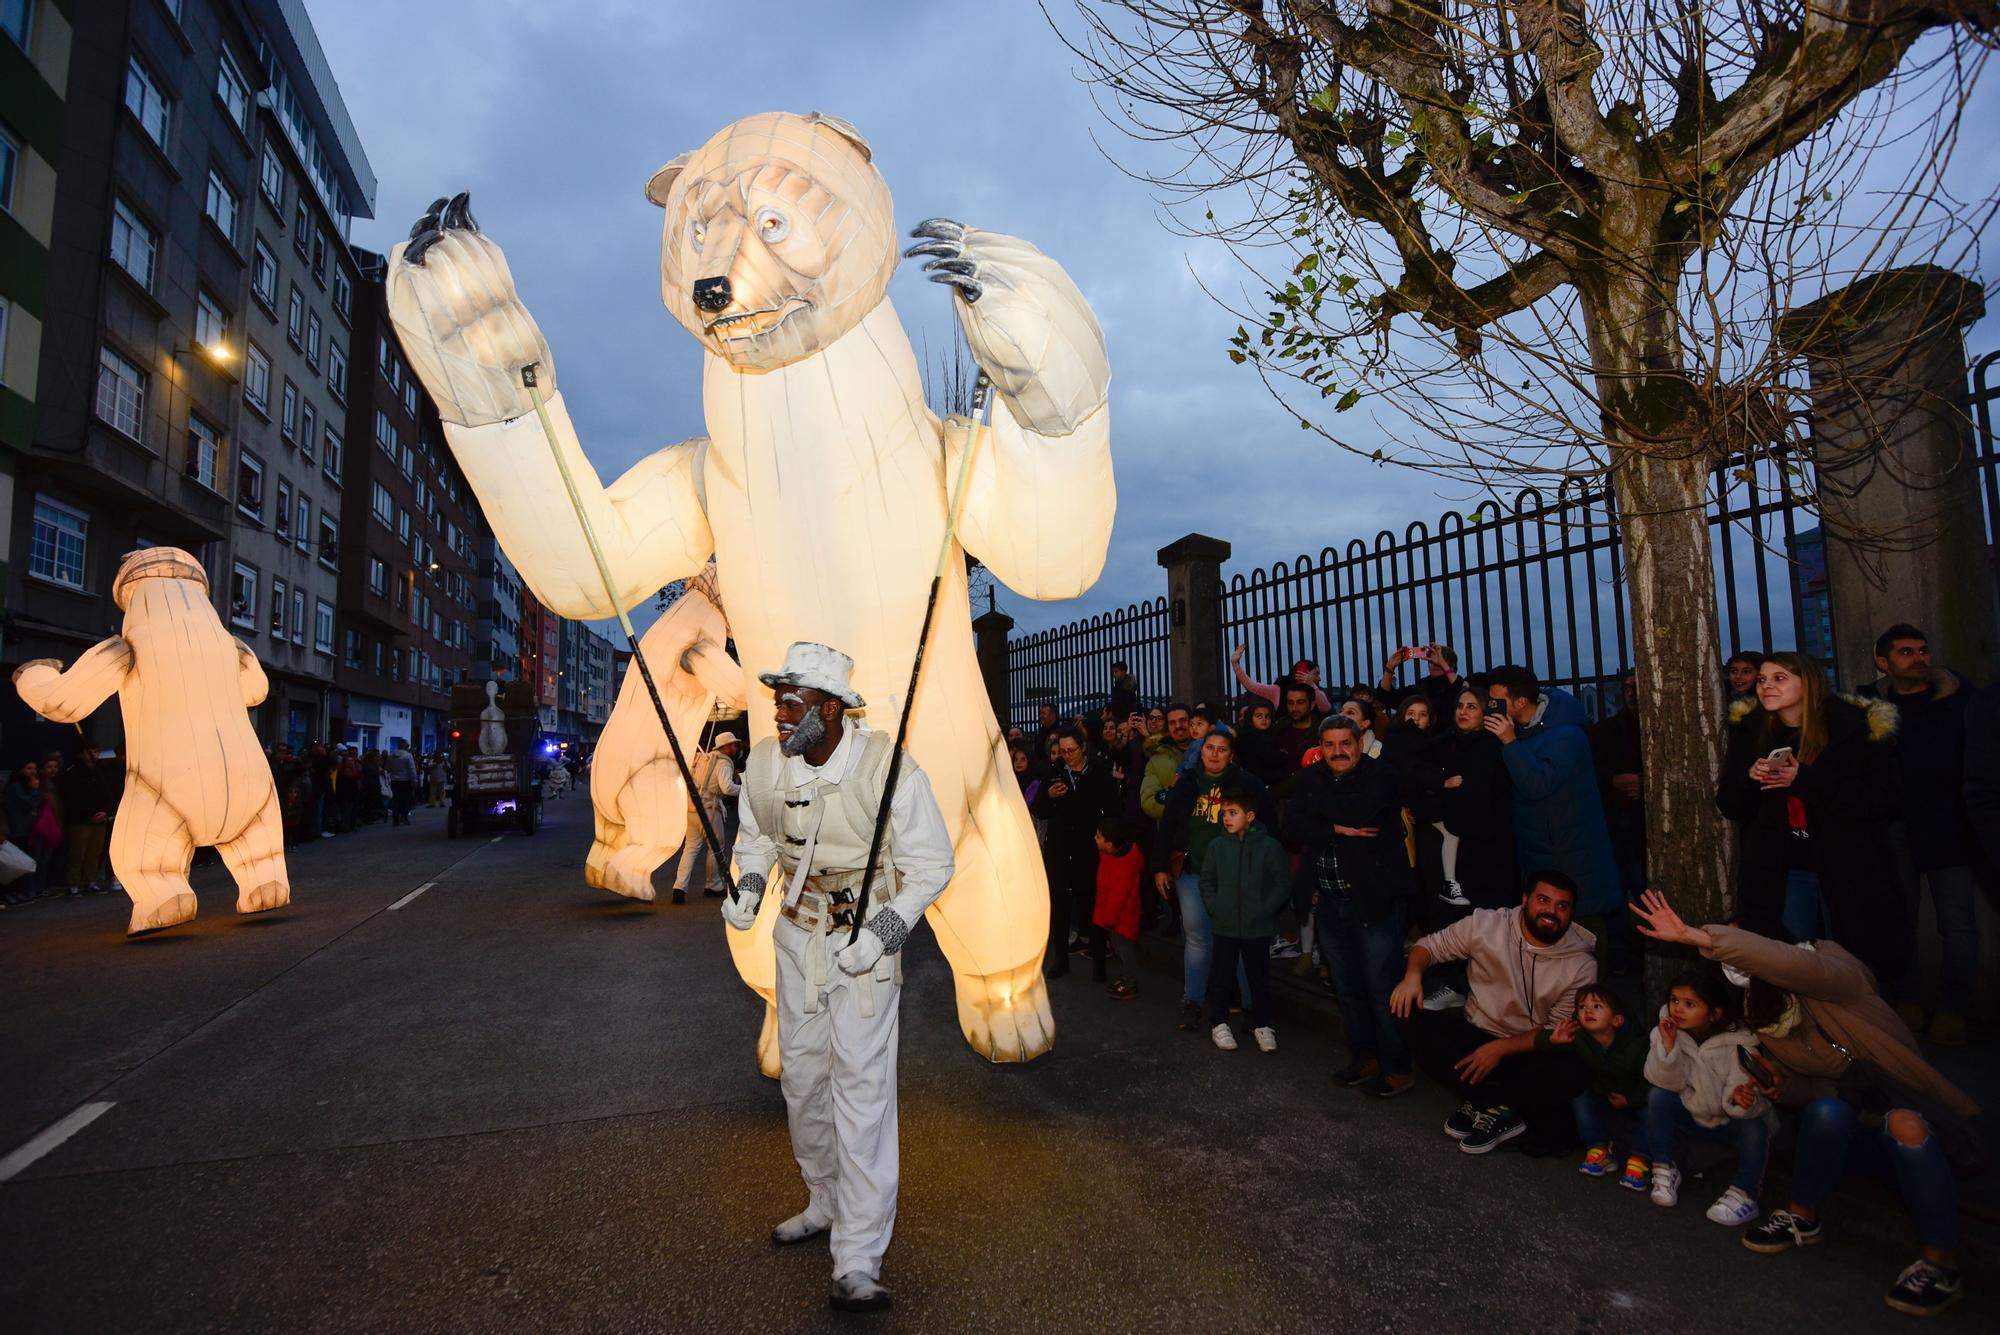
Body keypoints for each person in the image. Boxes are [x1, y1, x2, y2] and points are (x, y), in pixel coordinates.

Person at [721, 642, 954, 1314]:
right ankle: (824, 1198)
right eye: (777, 700)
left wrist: (884, 935)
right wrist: (750, 887)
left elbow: (933, 865)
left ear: (828, 708)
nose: (778, 713)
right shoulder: (767, 763)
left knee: (861, 1088)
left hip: (863, 949)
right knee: (802, 1077)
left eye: (790, 703)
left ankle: (857, 1257)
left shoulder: (888, 770)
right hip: (797, 940)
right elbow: (758, 836)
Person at [1632, 890, 1979, 1319]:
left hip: (1905, 1119)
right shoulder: (1766, 1011)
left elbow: (1791, 965)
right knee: (1825, 1112)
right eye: (1730, 960)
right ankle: (1802, 1218)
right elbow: (1809, 1090)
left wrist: (1695, 936)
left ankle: (1941, 1265)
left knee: (1906, 1123)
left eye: (1748, 950)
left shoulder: (1835, 973)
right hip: (1846, 1130)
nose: (1739, 965)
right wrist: (1780, 1082)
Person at [1717, 652, 1905, 980]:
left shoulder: (1853, 729)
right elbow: (1731, 806)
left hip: (1846, 866)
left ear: (1809, 684)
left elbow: (1882, 800)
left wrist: (1804, 779)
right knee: (1790, 963)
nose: (1766, 687)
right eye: (1762, 680)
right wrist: (1750, 778)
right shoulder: (1751, 732)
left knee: (1852, 965)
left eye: (1779, 679)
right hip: (1784, 869)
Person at [1391, 872, 1598, 1154]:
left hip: (1530, 1048)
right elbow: (1429, 946)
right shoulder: (1487, 925)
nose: (1552, 911)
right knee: (1406, 1013)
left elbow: (1557, 1031)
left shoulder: (1581, 964)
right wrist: (1413, 976)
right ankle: (1489, 1101)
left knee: (1567, 1067)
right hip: (1478, 1035)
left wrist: (1500, 1049)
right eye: (1543, 900)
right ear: (1525, 901)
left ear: (1571, 913)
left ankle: (1493, 1105)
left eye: (1563, 906)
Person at [1858, 624, 1980, 1046]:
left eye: (1923, 650)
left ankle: (1953, 1008)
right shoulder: (1865, 707)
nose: (1919, 658)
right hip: (1893, 828)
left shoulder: (1961, 700)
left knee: (1958, 924)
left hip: (1951, 827)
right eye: (1906, 652)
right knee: (1900, 919)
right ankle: (1907, 1000)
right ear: (1883, 661)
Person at [1291, 716, 1414, 1096]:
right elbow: (1291, 825)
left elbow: (1361, 812)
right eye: (1330, 745)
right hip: (1329, 901)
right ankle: (1365, 1057)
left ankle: (1397, 1068)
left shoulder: (1382, 775)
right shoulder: (1309, 778)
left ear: (1359, 743)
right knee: (1346, 987)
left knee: (1381, 986)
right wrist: (1334, 829)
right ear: (1321, 747)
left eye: (1346, 743)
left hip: (1373, 901)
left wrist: (1322, 815)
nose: (1338, 751)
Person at [1485, 666, 1624, 967]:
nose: (1491, 707)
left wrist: (1509, 743)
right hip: (1545, 852)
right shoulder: (1528, 732)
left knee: (1582, 934)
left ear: (1520, 703)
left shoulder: (1565, 735)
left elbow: (1537, 784)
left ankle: (1592, 1002)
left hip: (1572, 854)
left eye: (1497, 701)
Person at [1156, 730, 1271, 1032]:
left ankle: (1251, 1008)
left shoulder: (1246, 784)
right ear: (1201, 751)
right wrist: (1159, 867)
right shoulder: (1187, 784)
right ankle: (1192, 1003)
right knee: (1197, 938)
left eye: (1222, 749)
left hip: (1236, 874)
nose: (1215, 754)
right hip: (1194, 871)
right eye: (1209, 748)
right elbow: (1167, 826)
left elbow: (1268, 825)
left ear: (1231, 754)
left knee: (1243, 939)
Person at [1641, 968, 1775, 1226]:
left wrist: (1740, 1098)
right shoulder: (1666, 1031)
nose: (1677, 1009)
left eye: (1689, 1004)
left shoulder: (1740, 1042)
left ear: (1715, 1013)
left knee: (1755, 1128)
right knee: (1658, 1097)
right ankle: (1664, 1167)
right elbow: (1663, 1081)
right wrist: (1668, 1047)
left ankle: (1744, 1194)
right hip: (1693, 1115)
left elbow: (1747, 1089)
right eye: (1674, 1001)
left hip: (1728, 1122)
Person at [1200, 787, 1291, 1053]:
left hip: (1257, 926)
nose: (1226, 818)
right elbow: (1207, 881)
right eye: (1224, 813)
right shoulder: (1217, 846)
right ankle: (1219, 1023)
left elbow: (1281, 882)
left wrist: (1266, 909)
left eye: (1233, 813)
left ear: (1249, 816)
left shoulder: (1269, 847)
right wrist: (1215, 906)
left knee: (1258, 977)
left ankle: (1263, 1024)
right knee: (1222, 975)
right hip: (1225, 924)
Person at [1536, 984, 1649, 1185]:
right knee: (1580, 1095)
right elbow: (1541, 1043)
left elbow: (1651, 1083)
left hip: (1635, 1097)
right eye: (1582, 1007)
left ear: (1617, 1019)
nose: (1588, 1010)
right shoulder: (1581, 1037)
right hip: (1604, 1095)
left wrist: (1631, 1100)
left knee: (1652, 1111)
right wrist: (1552, 1039)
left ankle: (1639, 1159)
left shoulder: (1636, 1045)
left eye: (1597, 1006)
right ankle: (1598, 1148)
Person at [1031, 726, 1119, 978]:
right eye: (1062, 751)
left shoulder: (1100, 771)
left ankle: (1099, 962)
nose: (1067, 755)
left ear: (1083, 748)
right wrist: (1048, 795)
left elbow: (1113, 808)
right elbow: (1039, 809)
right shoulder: (1054, 772)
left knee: (1093, 907)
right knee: (1060, 908)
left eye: (1072, 750)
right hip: (1060, 850)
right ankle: (1060, 959)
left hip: (1090, 849)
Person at [672, 732, 742, 904]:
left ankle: (679, 887)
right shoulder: (724, 763)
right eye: (733, 745)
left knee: (691, 848)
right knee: (716, 847)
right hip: (710, 810)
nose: (735, 747)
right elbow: (727, 788)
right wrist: (746, 789)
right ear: (725, 747)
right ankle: (713, 884)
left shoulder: (703, 759)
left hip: (691, 809)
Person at [1093, 817, 1144, 999]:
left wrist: (1110, 921)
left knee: (1124, 952)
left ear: (1110, 844)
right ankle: (1125, 978)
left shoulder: (1121, 866)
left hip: (1120, 920)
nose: (1095, 838)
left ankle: (1129, 983)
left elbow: (1117, 896)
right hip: (1118, 918)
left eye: (1099, 837)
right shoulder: (1114, 857)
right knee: (1120, 950)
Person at [58, 745, 119, 894]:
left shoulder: (101, 771)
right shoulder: (73, 772)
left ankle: (90, 880)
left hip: (101, 818)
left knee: (95, 852)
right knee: (77, 853)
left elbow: (109, 793)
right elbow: (72, 797)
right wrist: (90, 813)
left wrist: (105, 811)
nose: (94, 754)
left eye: (96, 751)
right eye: (90, 751)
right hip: (81, 820)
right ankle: (73, 882)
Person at [1230, 644, 1331, 714]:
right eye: (1316, 673)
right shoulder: (1279, 690)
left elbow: (1326, 708)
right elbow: (1251, 686)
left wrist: (1313, 687)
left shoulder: (1317, 692)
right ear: (1303, 674)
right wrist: (1235, 664)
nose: (1319, 678)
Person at [1376, 642, 1465, 714]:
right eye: (1431, 660)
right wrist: (1390, 667)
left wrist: (1444, 666)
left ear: (1452, 666)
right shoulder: (1421, 687)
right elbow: (1385, 697)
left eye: (1441, 660)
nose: (1435, 664)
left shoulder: (1458, 685)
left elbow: (1460, 691)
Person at [1272, 681, 1319, 773]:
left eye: (1300, 702)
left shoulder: (1321, 733)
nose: (1294, 708)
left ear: (1312, 705)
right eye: (1290, 703)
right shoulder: (1278, 729)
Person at [385, 740, 419, 826]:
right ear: (405, 746)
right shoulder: (408, 756)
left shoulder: (391, 755)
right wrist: (414, 781)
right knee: (406, 799)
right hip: (405, 780)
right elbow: (412, 770)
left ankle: (395, 819)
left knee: (396, 800)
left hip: (395, 781)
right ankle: (404, 817)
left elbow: (387, 769)